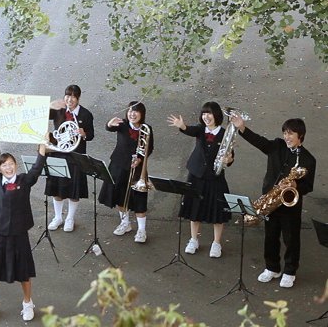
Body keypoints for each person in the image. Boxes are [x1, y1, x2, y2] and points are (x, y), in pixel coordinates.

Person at [232, 115, 316, 288]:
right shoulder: (277, 146)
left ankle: (290, 271)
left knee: (291, 239)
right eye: (285, 133)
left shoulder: (308, 159)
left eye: (290, 133)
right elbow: (260, 142)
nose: (286, 137)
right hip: (271, 201)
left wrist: (295, 185)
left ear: (300, 135)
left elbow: (308, 186)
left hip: (290, 205)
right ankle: (272, 268)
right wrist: (242, 128)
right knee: (270, 236)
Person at [0, 129, 47, 322]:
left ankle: (27, 303)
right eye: (4, 165)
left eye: (11, 164)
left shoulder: (25, 180)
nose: (8, 168)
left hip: (19, 232)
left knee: (23, 271)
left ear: (16, 165)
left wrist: (43, 143)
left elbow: (38, 167)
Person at [167, 102, 233, 258]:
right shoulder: (200, 130)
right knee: (194, 208)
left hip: (215, 177)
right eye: (204, 114)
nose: (206, 117)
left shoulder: (225, 133)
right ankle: (193, 240)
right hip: (196, 175)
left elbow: (230, 155)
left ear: (216, 115)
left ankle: (216, 243)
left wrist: (229, 160)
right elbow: (189, 130)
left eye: (209, 113)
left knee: (218, 211)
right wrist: (181, 126)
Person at [98, 101, 154, 243]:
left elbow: (150, 148)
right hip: (118, 164)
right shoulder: (122, 124)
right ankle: (125, 223)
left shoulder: (147, 128)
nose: (132, 114)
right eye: (130, 111)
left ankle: (142, 230)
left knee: (139, 197)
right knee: (120, 195)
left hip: (137, 168)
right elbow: (109, 128)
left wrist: (140, 160)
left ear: (142, 114)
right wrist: (109, 124)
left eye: (135, 111)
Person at [45, 84, 94, 232]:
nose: (70, 99)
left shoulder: (85, 114)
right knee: (57, 188)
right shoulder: (58, 110)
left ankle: (70, 218)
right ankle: (58, 217)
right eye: (67, 95)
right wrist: (50, 105)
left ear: (78, 98)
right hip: (58, 153)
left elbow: (91, 135)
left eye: (73, 96)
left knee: (74, 190)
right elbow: (40, 115)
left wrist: (83, 133)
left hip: (76, 155)